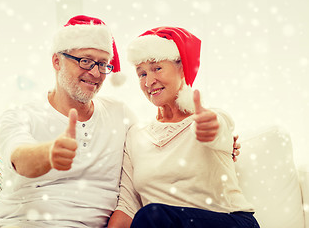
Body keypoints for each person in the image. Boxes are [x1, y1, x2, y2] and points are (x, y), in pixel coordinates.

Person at [0, 15, 137, 228]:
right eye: (85, 61)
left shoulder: (120, 115)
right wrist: (49, 154)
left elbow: (132, 188)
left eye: (103, 64)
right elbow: (20, 160)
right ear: (57, 61)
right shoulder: (21, 114)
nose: (95, 73)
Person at [107, 27, 260, 228]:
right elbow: (127, 207)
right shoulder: (136, 136)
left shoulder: (209, 118)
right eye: (141, 73)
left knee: (153, 215)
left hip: (229, 221)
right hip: (159, 223)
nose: (149, 81)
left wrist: (210, 127)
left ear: (182, 68)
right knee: (151, 216)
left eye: (157, 68)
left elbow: (219, 129)